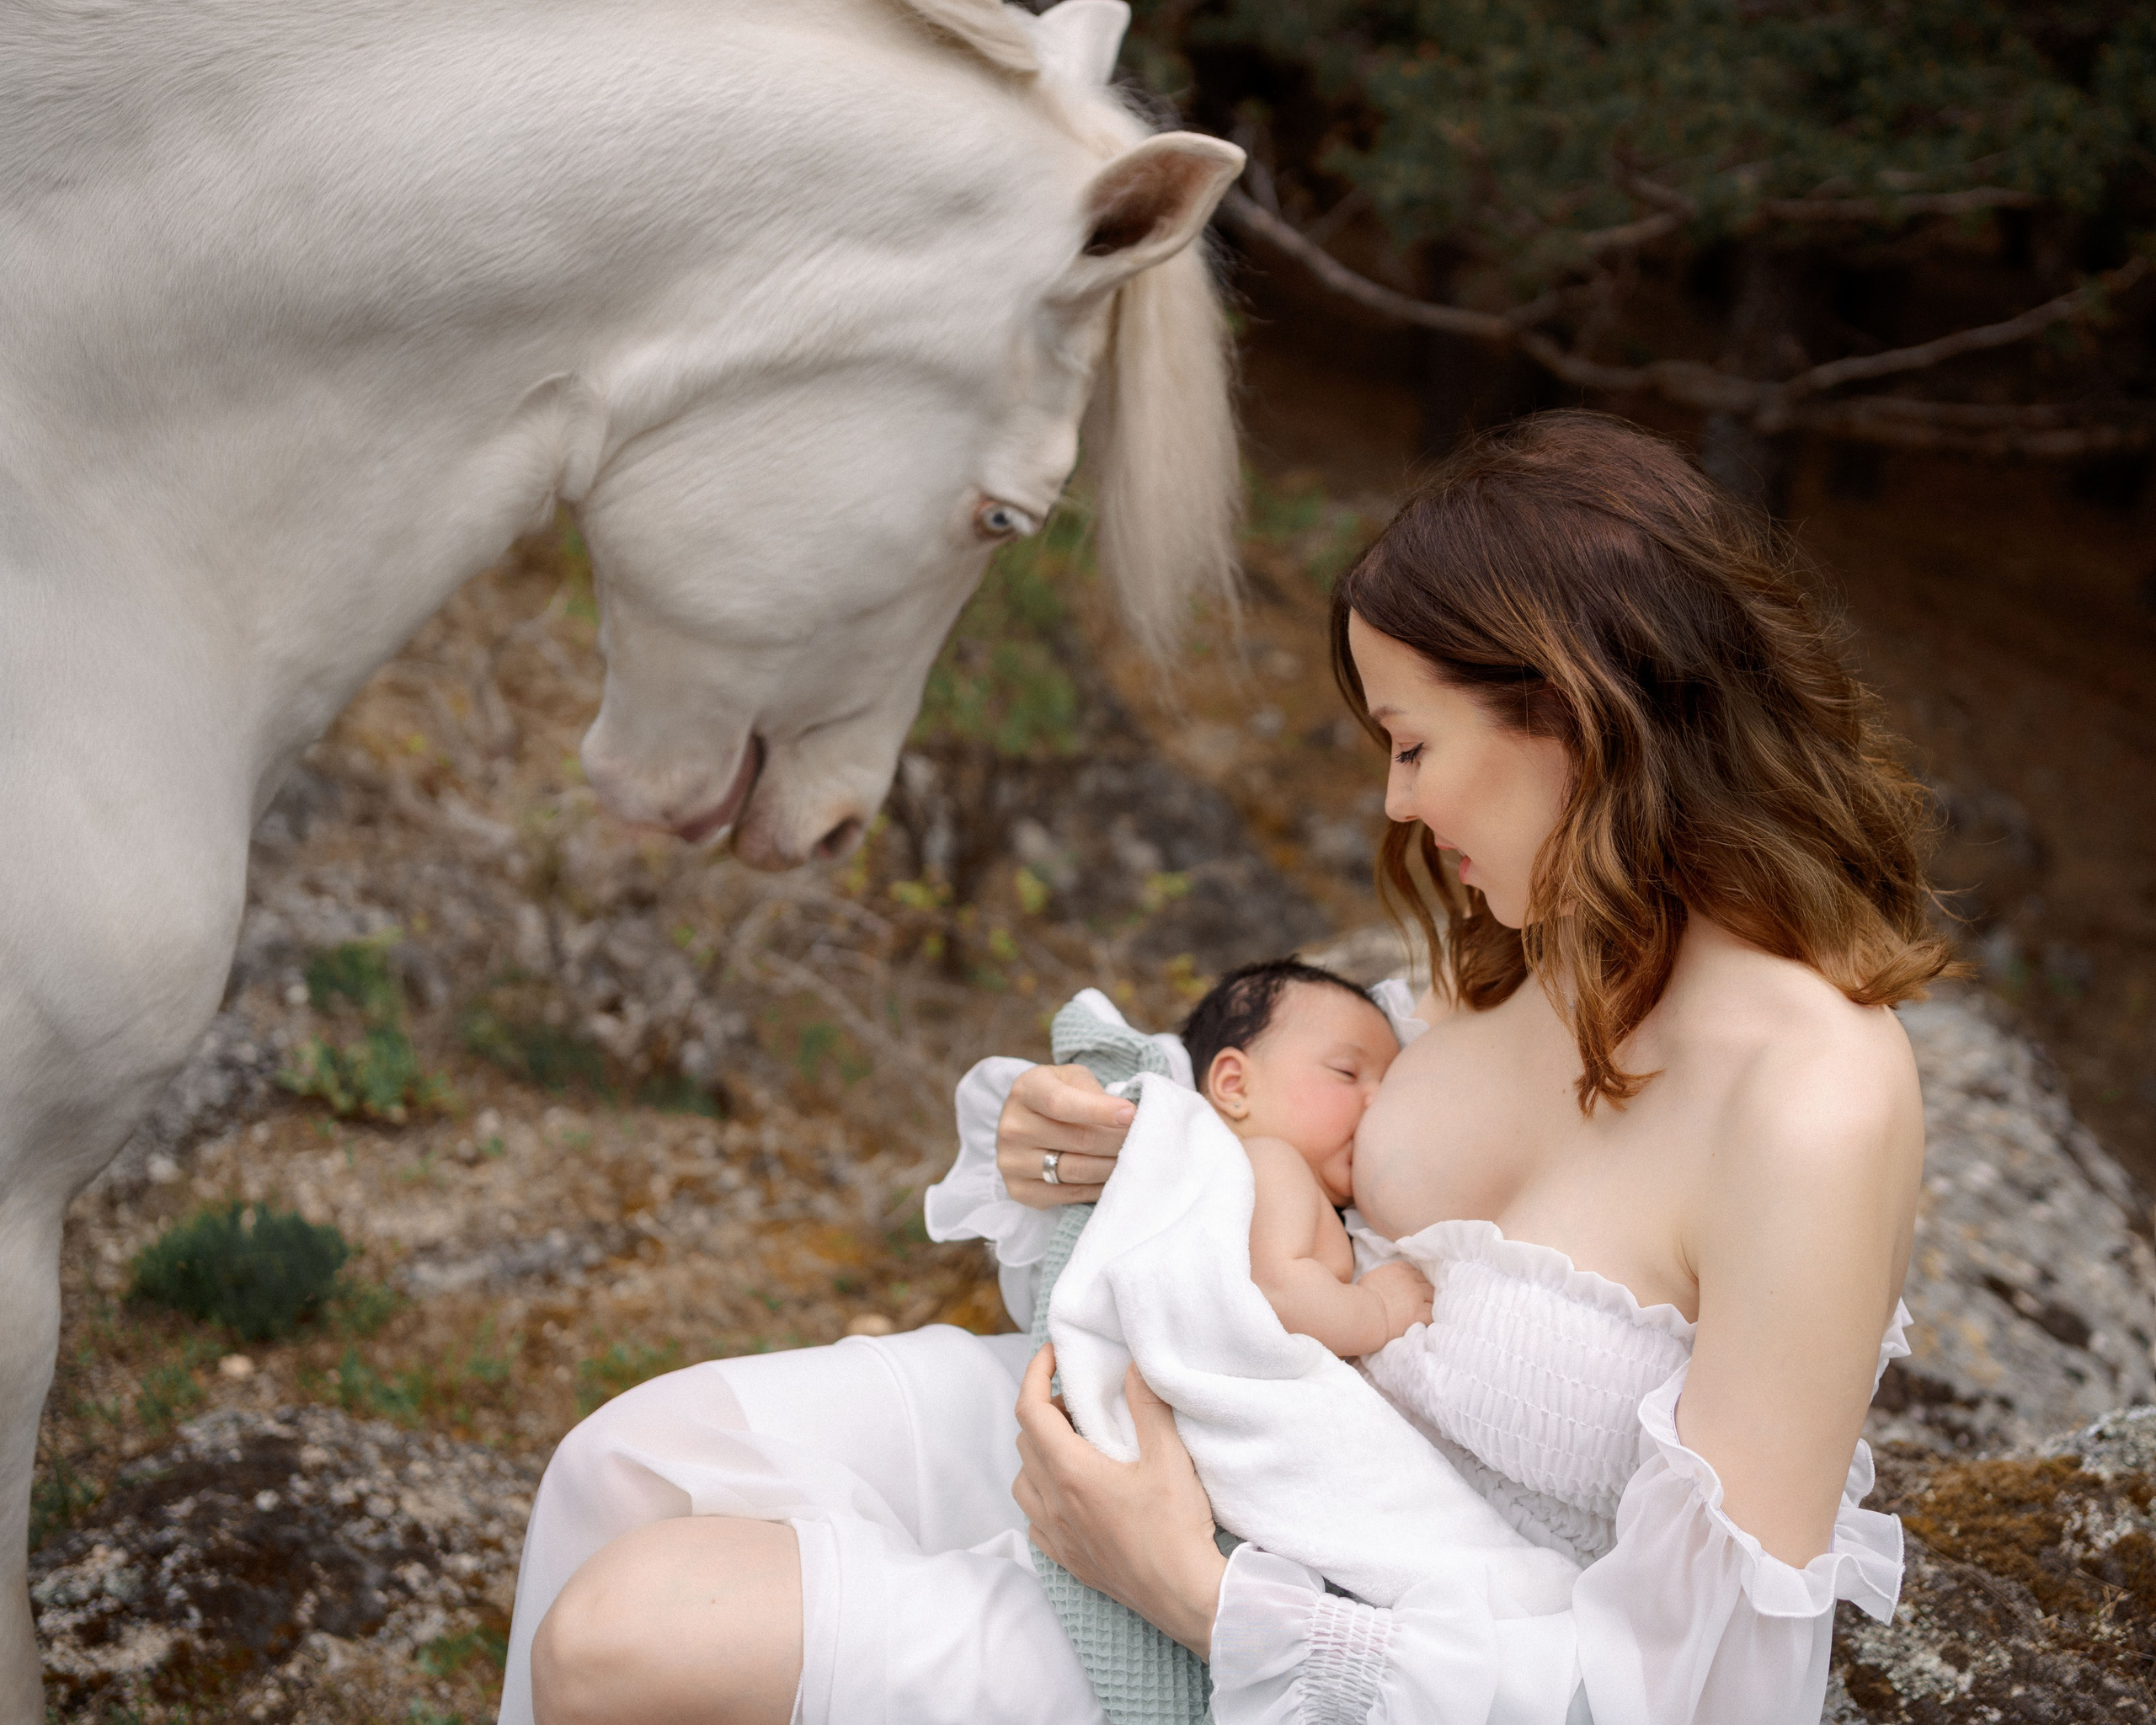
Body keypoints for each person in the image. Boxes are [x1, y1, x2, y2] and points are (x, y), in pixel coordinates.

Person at [501, 410, 1943, 1725]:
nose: (1395, 798)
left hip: (1340, 1623)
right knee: (628, 1465)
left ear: (1570, 712)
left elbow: (1699, 1690)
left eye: (1412, 741)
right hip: (1208, 1421)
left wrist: (1191, 1588)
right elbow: (1280, 1162)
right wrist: (1112, 1153)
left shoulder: (1809, 1101)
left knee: (627, 1640)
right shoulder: (1522, 946)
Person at [1176, 957, 1432, 1357]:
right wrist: (1377, 1312)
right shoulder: (1269, 1161)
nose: (1378, 1101)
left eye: (1387, 1085)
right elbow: (1277, 1292)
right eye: (1347, 1073)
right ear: (1234, 1085)